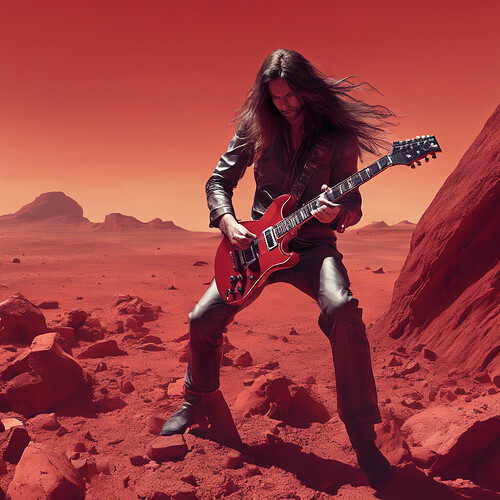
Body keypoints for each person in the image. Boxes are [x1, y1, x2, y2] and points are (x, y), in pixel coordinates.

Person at [162, 49, 395, 484]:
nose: (284, 104)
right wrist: (228, 222)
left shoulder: (338, 136)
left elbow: (353, 203)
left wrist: (336, 213)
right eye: (276, 97)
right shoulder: (256, 126)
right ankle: (196, 398)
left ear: (307, 88)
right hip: (256, 247)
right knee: (201, 318)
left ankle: (363, 439)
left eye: (291, 95)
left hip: (313, 247)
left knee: (343, 310)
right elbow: (219, 182)